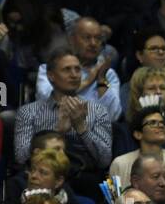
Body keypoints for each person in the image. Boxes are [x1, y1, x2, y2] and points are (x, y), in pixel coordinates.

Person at [12, 48, 112, 180]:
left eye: (77, 69)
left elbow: (104, 160)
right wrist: (58, 132)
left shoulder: (98, 111)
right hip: (41, 177)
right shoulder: (28, 112)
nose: (74, 75)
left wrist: (81, 127)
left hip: (83, 180)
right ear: (51, 76)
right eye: (67, 69)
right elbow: (22, 157)